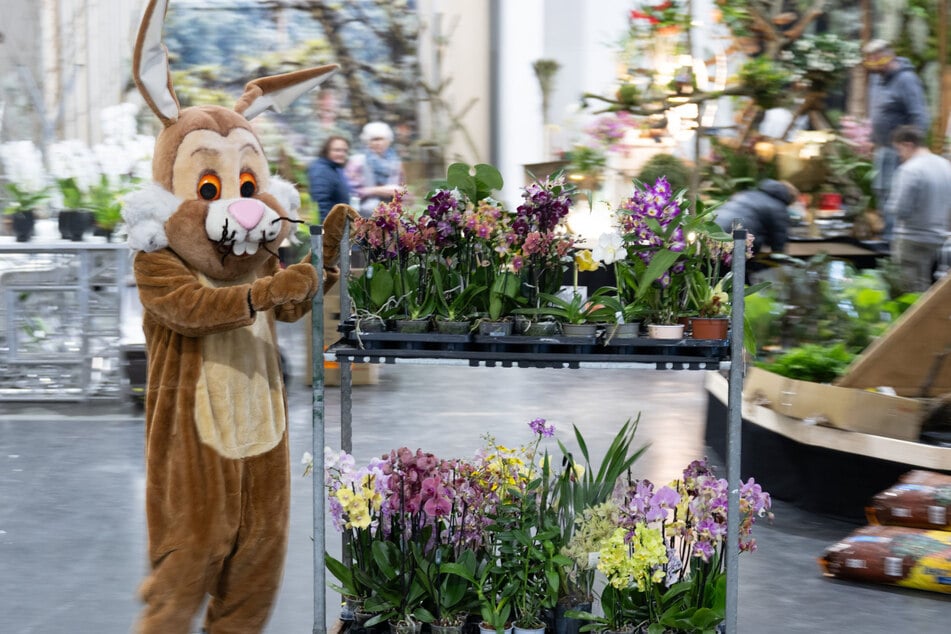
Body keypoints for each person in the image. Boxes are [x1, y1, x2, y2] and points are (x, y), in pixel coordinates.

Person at [862, 39, 931, 241]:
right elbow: (878, 112)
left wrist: (914, 150)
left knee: (896, 193)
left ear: (888, 57)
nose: (873, 66)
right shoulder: (877, 79)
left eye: (876, 61)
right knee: (881, 190)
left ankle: (895, 239)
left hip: (901, 150)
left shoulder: (907, 80)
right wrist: (872, 139)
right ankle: (887, 235)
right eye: (870, 61)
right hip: (883, 147)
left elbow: (919, 115)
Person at [883, 125, 951, 292]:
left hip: (911, 240)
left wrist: (888, 206)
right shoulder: (945, 166)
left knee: (910, 294)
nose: (899, 156)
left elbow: (901, 209)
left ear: (908, 145)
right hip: (939, 240)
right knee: (931, 293)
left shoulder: (910, 169)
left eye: (899, 150)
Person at [713, 179, 799, 256]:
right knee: (744, 264)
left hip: (715, 229)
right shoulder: (778, 206)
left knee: (717, 264)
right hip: (740, 236)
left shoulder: (748, 193)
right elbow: (779, 238)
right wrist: (780, 259)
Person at [345, 121, 405, 217]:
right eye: (374, 139)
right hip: (364, 214)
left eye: (382, 139)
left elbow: (402, 188)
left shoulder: (395, 163)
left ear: (388, 141)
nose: (378, 143)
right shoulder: (357, 161)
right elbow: (350, 191)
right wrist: (376, 190)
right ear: (367, 141)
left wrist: (401, 193)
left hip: (391, 214)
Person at [308, 135, 353, 220]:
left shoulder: (334, 168)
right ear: (326, 151)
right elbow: (321, 202)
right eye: (337, 150)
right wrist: (327, 226)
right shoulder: (321, 170)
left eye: (345, 151)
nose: (341, 154)